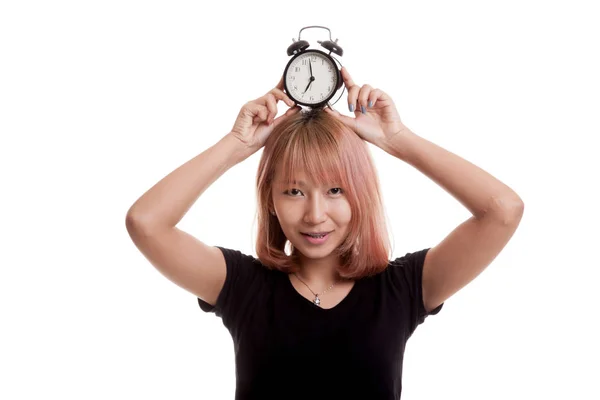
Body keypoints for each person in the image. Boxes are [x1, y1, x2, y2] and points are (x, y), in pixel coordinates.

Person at [126, 66, 524, 399]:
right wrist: (236, 145)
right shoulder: (242, 286)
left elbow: (502, 211)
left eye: (335, 190)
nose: (315, 215)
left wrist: (398, 140)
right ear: (271, 200)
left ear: (360, 195)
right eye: (294, 191)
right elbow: (146, 222)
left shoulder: (401, 289)